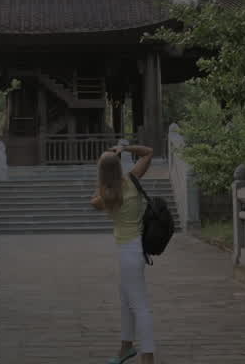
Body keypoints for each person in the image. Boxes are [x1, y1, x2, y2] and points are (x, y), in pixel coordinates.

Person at [90, 143, 156, 364]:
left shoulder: (105, 195)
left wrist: (103, 174)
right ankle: (126, 347)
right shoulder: (132, 179)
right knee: (127, 301)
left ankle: (148, 356)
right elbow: (148, 152)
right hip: (135, 248)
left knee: (139, 306)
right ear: (118, 166)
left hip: (129, 251)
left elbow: (94, 202)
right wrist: (125, 148)